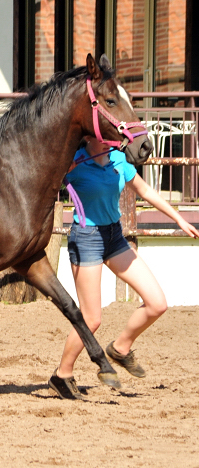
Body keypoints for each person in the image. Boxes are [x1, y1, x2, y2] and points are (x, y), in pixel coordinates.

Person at [48, 136, 199, 400]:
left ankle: (120, 347)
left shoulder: (119, 159)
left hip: (114, 237)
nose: (114, 138)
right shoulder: (75, 162)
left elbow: (146, 192)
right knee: (91, 319)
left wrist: (179, 219)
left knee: (157, 303)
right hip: (87, 237)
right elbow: (43, 184)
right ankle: (61, 375)